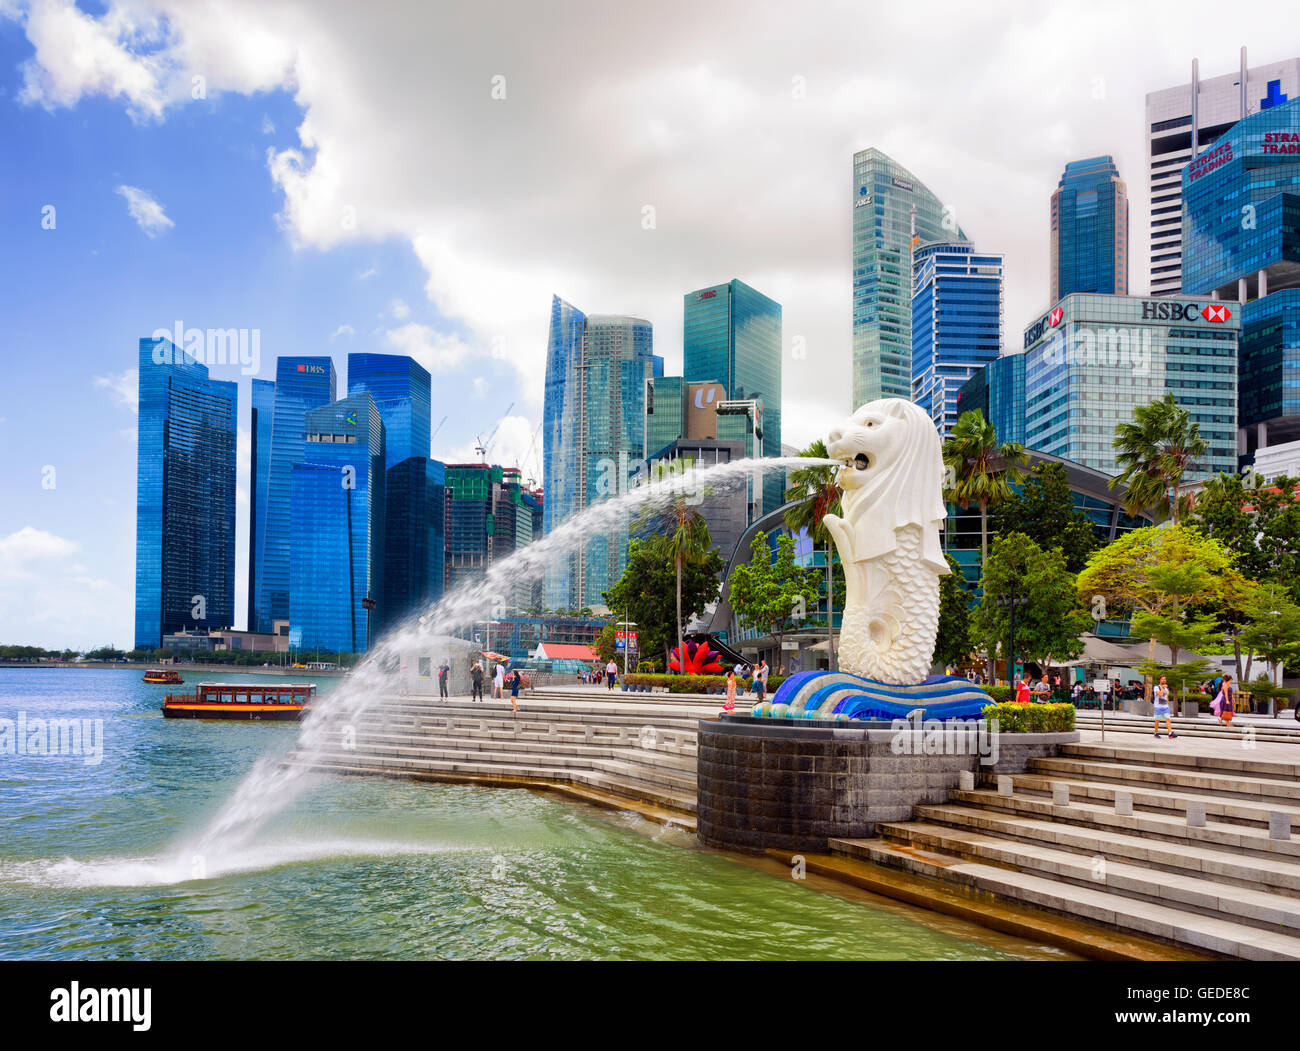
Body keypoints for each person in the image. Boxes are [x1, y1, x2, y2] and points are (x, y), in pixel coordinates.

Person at [1152, 674, 1177, 738]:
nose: (1164, 680)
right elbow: (1160, 694)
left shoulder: (1166, 689)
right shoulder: (1156, 687)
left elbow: (1166, 697)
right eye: (1162, 679)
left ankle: (1170, 733)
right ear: (1159, 680)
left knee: (1168, 719)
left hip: (1165, 707)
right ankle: (1156, 733)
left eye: (1165, 679)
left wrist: (1168, 705)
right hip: (1158, 706)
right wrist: (1163, 688)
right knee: (1157, 720)